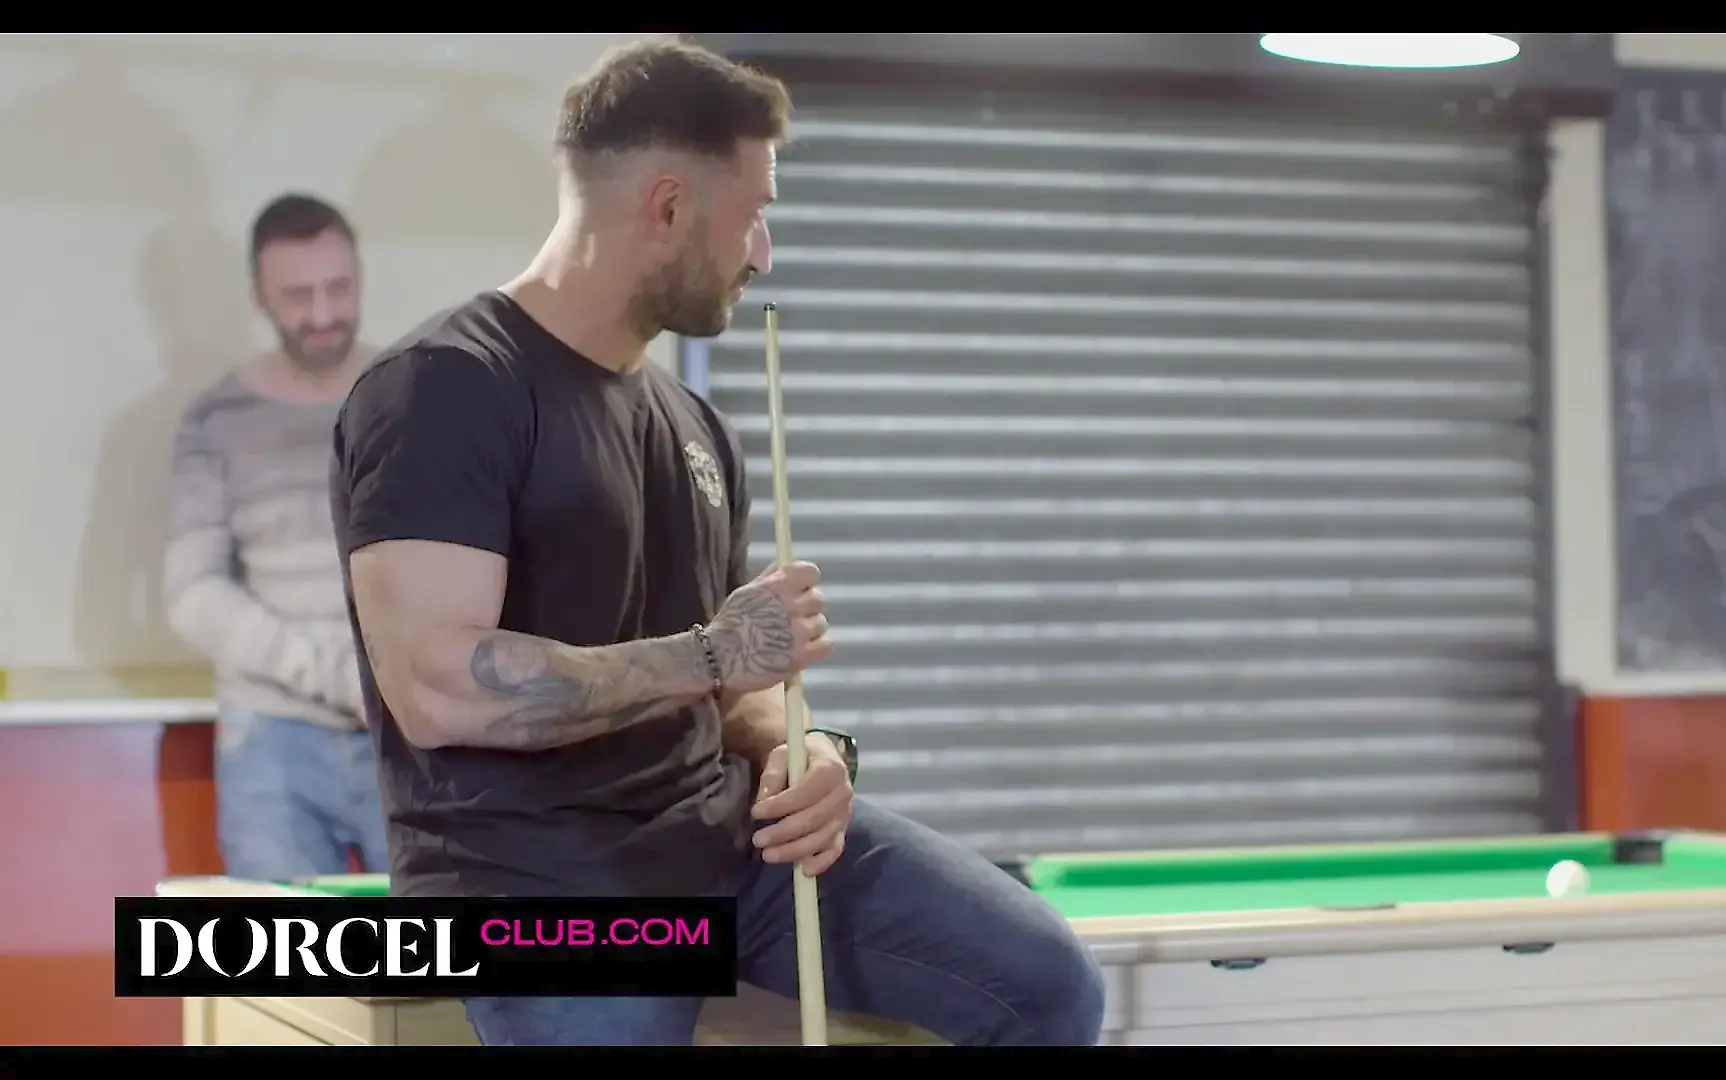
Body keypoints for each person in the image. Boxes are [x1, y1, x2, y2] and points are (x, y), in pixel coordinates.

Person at [327, 39, 1107, 1046]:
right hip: (542, 884)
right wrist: (712, 655)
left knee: (1046, 984)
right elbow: (439, 690)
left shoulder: (696, 425)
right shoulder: (447, 387)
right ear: (667, 207)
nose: (764, 251)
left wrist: (802, 749)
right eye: (753, 213)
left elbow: (739, 684)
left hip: (728, 843)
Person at [165, 193, 385, 881]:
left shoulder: (412, 395)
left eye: (338, 288)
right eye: (297, 296)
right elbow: (192, 594)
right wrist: (337, 677)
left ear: (360, 277)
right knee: (277, 946)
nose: (322, 314)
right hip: (270, 740)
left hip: (407, 736)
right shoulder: (217, 419)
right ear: (258, 297)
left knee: (439, 942)